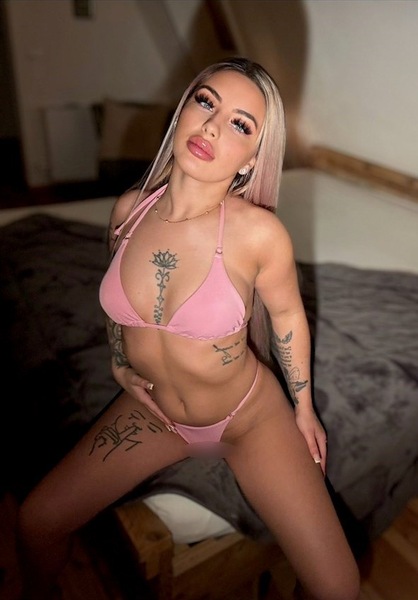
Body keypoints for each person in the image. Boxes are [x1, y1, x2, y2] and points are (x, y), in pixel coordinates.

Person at [16, 57, 360, 600]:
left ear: (252, 159)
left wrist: (303, 407)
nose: (213, 127)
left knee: (338, 588)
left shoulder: (258, 234)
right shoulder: (129, 211)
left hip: (247, 417)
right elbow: (118, 307)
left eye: (240, 125)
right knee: (36, 521)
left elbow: (289, 316)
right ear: (182, 112)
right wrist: (120, 362)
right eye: (206, 103)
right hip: (156, 414)